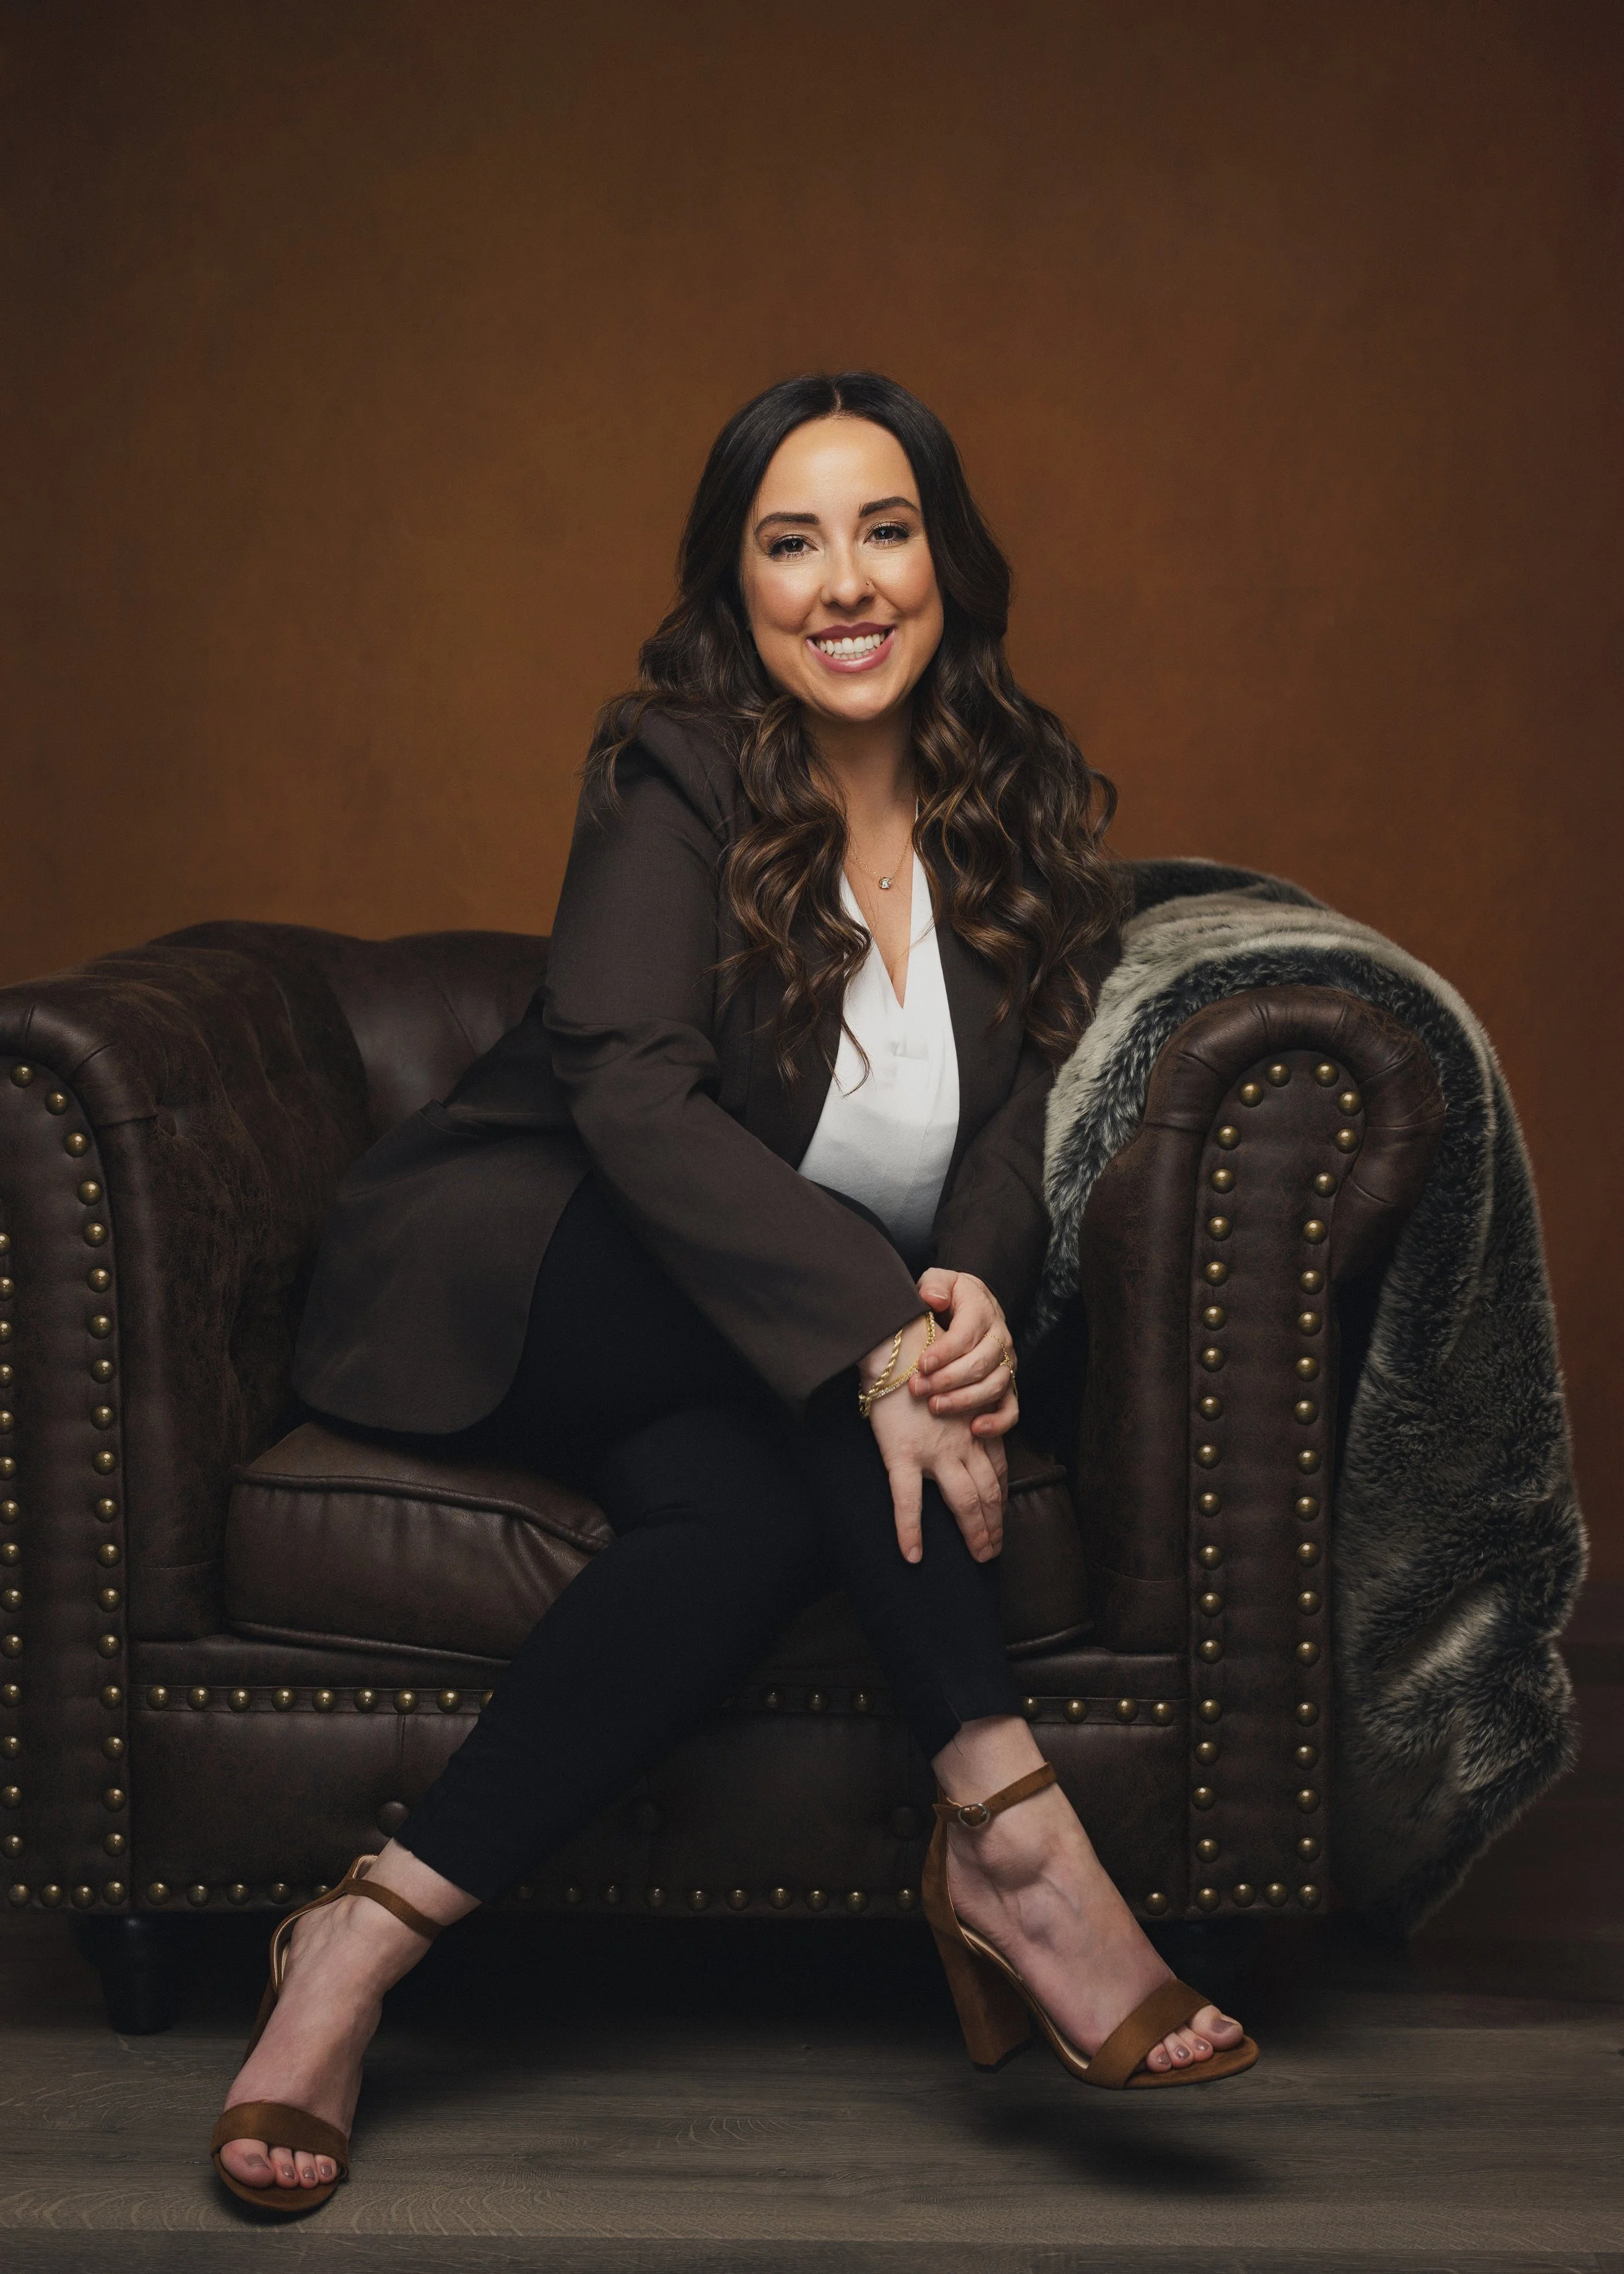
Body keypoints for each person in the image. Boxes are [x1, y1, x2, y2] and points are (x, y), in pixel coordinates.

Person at [209, 371, 1256, 2214]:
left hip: (757, 1357)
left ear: (946, 561)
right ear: (738, 587)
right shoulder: (671, 766)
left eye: (883, 528)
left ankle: (356, 1948)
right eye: (791, 542)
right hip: (530, 1263)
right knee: (839, 1379)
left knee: (757, 1497)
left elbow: (1013, 1130)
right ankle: (1014, 1840)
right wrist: (875, 1337)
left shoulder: (1010, 811)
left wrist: (969, 1299)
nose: (843, 583)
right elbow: (623, 1087)